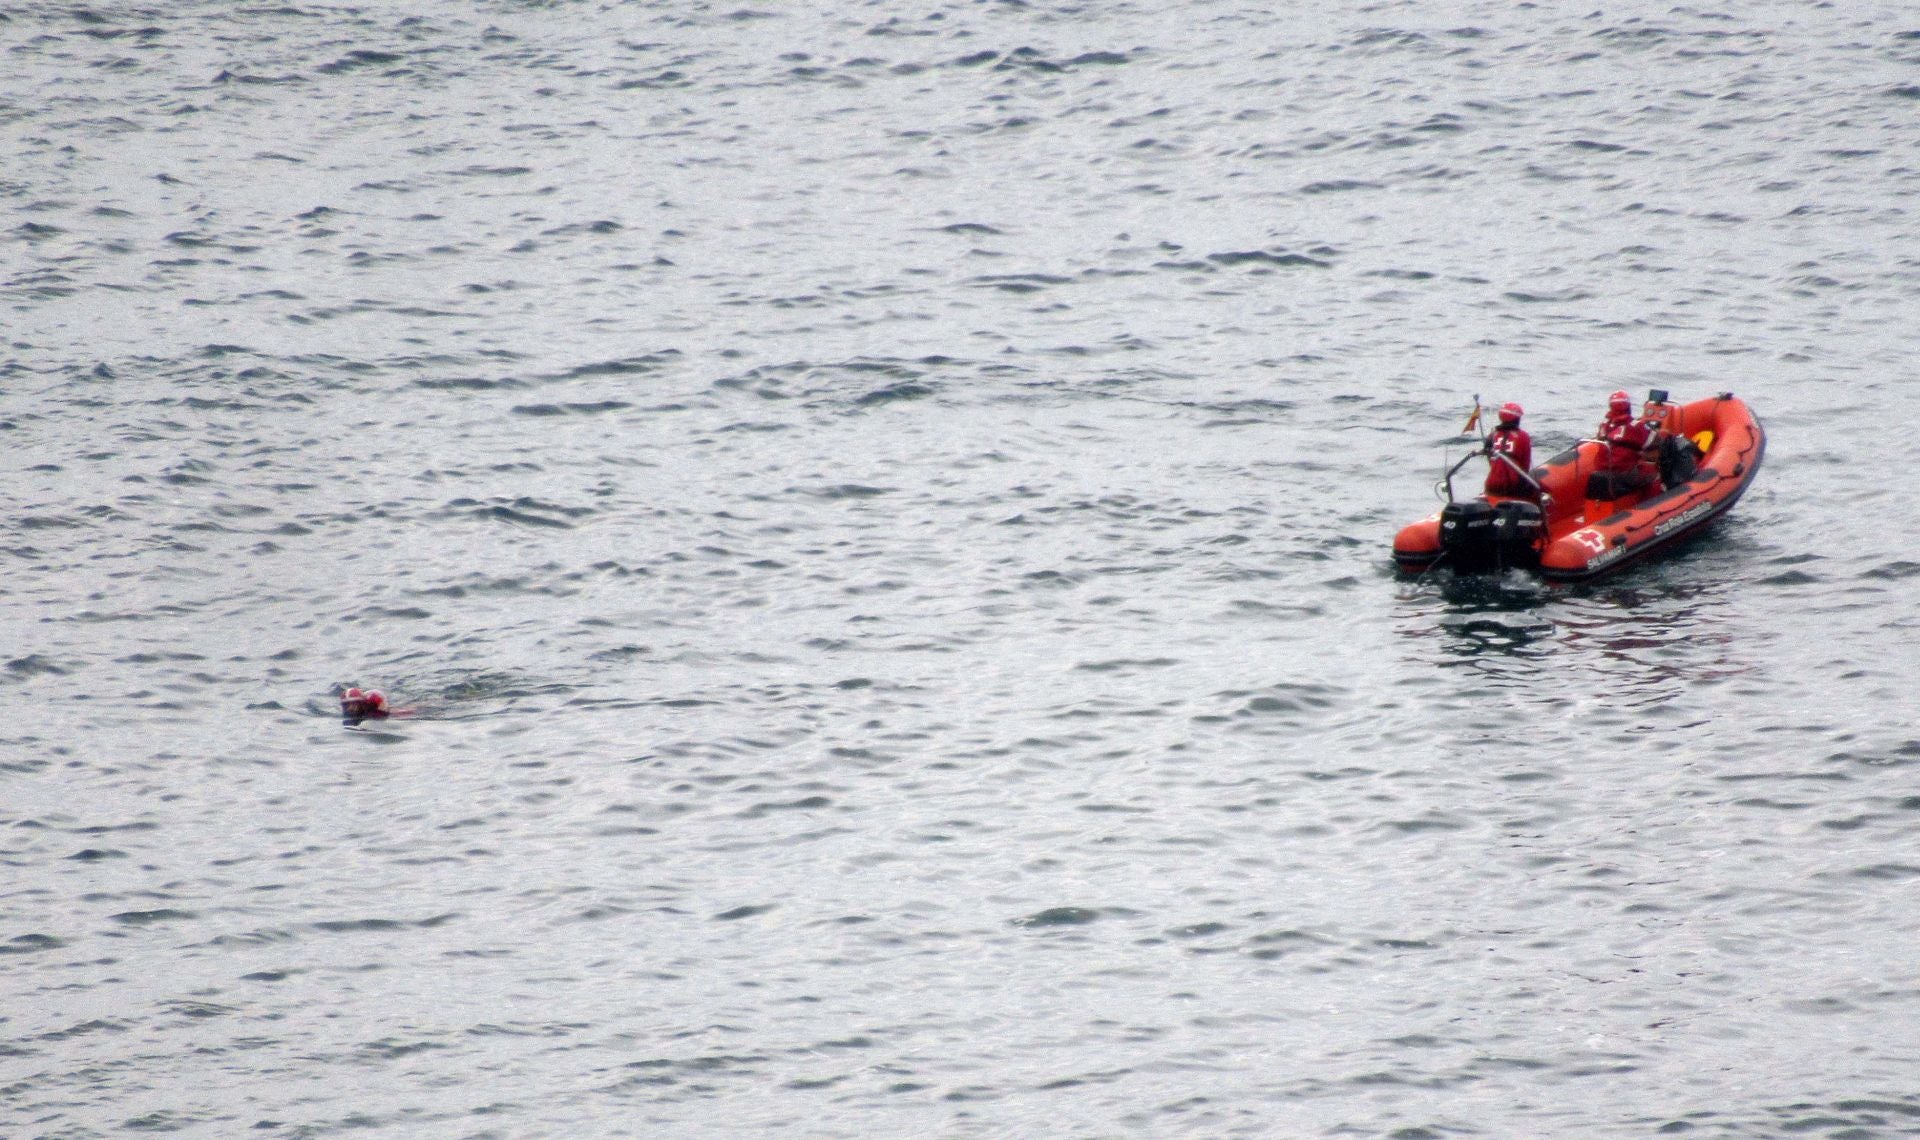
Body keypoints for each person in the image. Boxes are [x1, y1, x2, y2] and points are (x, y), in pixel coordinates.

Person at [1589, 389, 1653, 499]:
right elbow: (1654, 443)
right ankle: (1653, 503)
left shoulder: (1604, 425)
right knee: (1652, 472)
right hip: (1623, 473)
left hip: (1602, 469)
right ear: (1628, 407)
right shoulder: (1636, 426)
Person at [1482, 402, 1534, 497]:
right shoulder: (1523, 436)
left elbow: (1490, 460)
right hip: (1512, 485)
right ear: (1517, 419)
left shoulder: (1491, 436)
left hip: (1491, 484)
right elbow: (1525, 465)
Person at [340, 687, 411, 722]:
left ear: (361, 703)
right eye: (346, 705)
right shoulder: (346, 714)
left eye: (354, 704)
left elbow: (388, 713)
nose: (349, 708)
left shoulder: (374, 705)